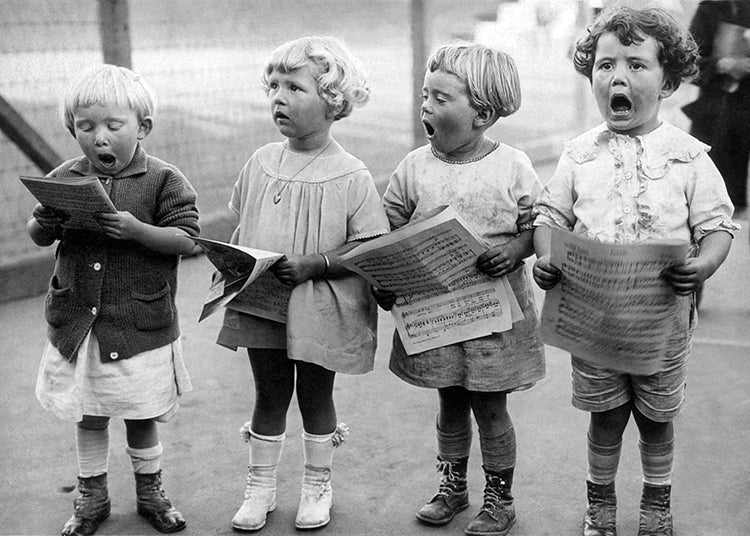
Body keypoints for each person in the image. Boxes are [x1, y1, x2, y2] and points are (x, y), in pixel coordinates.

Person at [532, 6, 739, 536]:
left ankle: (655, 505)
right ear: (592, 76)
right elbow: (550, 217)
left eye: (636, 65)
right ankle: (600, 506)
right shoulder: (579, 155)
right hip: (592, 322)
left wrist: (704, 265)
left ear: (668, 80)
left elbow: (718, 226)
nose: (617, 77)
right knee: (604, 419)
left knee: (656, 419)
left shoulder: (690, 157)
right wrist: (547, 256)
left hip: (660, 325)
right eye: (605, 65)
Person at [215, 36, 389, 532]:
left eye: (295, 87)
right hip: (262, 300)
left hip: (320, 306)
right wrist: (228, 261)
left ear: (333, 100)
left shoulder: (352, 175)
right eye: (273, 86)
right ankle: (260, 487)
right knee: (268, 394)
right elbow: (241, 225)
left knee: (315, 396)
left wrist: (316, 263)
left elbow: (368, 247)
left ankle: (317, 485)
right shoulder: (261, 161)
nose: (279, 97)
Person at [377, 43, 545, 536]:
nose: (425, 106)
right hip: (434, 311)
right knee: (449, 400)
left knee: (491, 405)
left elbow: (540, 223)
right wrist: (383, 274)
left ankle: (499, 497)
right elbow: (386, 225)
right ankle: (453, 486)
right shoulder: (413, 166)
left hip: (495, 313)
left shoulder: (512, 165)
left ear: (482, 113)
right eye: (425, 95)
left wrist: (516, 250)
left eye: (441, 98)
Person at [28, 64, 200, 535]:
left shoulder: (164, 179)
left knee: (141, 413)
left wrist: (138, 230)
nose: (98, 138)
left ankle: (150, 491)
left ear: (142, 128)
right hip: (79, 323)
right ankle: (92, 496)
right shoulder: (66, 175)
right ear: (72, 130)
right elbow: (38, 231)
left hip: (139, 324)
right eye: (85, 127)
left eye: (112, 125)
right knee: (89, 412)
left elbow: (188, 240)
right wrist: (46, 224)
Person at [684, 1, 750, 213]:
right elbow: (688, 62)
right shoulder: (711, 8)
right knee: (710, 203)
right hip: (716, 117)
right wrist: (725, 64)